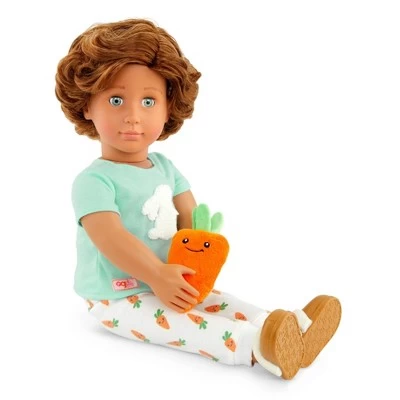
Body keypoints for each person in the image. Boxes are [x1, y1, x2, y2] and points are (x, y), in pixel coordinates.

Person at [55, 18, 341, 380]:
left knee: (220, 301)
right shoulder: (93, 181)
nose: (133, 116)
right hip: (118, 296)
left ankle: (284, 328)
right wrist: (156, 274)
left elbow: (189, 218)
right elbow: (110, 238)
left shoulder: (165, 167)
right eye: (116, 100)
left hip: (171, 279)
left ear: (168, 107)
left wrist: (197, 265)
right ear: (86, 106)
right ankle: (259, 346)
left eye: (148, 101)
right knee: (189, 327)